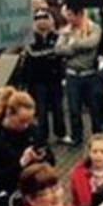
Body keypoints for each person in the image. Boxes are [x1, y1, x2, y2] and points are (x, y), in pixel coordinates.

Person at [55, 7, 102, 146]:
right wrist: (79, 46)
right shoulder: (66, 30)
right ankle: (76, 137)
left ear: (80, 14)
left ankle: (97, 136)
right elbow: (58, 49)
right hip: (72, 75)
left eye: (70, 15)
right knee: (74, 109)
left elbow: (92, 43)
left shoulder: (94, 28)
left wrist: (72, 44)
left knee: (95, 108)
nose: (68, 18)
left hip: (90, 74)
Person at [24, 9, 68, 144]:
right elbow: (33, 54)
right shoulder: (28, 37)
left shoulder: (57, 36)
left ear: (51, 20)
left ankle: (61, 134)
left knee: (58, 109)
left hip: (55, 78)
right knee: (40, 110)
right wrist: (51, 52)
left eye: (45, 17)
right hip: (37, 80)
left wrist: (50, 53)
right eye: (38, 17)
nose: (42, 20)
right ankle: (42, 137)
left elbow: (61, 53)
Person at [69, 133, 103, 206]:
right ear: (89, 153)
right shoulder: (79, 173)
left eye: (102, 152)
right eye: (94, 151)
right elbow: (82, 202)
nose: (98, 155)